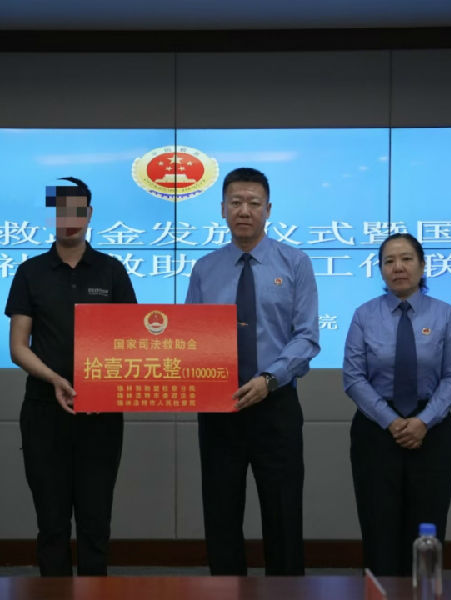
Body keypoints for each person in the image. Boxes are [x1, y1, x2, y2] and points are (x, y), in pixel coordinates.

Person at [185, 167, 320, 575]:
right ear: (222, 209)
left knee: (283, 512)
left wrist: (269, 379)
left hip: (275, 403)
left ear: (268, 209)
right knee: (221, 513)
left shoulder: (295, 263)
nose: (244, 210)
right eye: (236, 202)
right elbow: (190, 337)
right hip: (218, 406)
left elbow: (306, 336)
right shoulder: (205, 269)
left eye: (253, 203)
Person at [6, 177, 137, 576]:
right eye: (60, 212)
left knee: (96, 520)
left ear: (89, 214)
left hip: (101, 414)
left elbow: (132, 340)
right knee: (51, 522)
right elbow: (18, 347)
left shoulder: (112, 271)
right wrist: (55, 380)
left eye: (77, 211)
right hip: (44, 410)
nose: (69, 219)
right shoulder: (30, 272)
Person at [342, 232, 451, 576]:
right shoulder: (364, 315)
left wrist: (423, 421)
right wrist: (392, 422)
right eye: (389, 261)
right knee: (378, 524)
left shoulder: (444, 314)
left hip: (432, 431)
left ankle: (423, 592)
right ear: (381, 269)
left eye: (407, 259)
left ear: (422, 266)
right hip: (376, 430)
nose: (398, 267)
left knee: (428, 523)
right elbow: (353, 377)